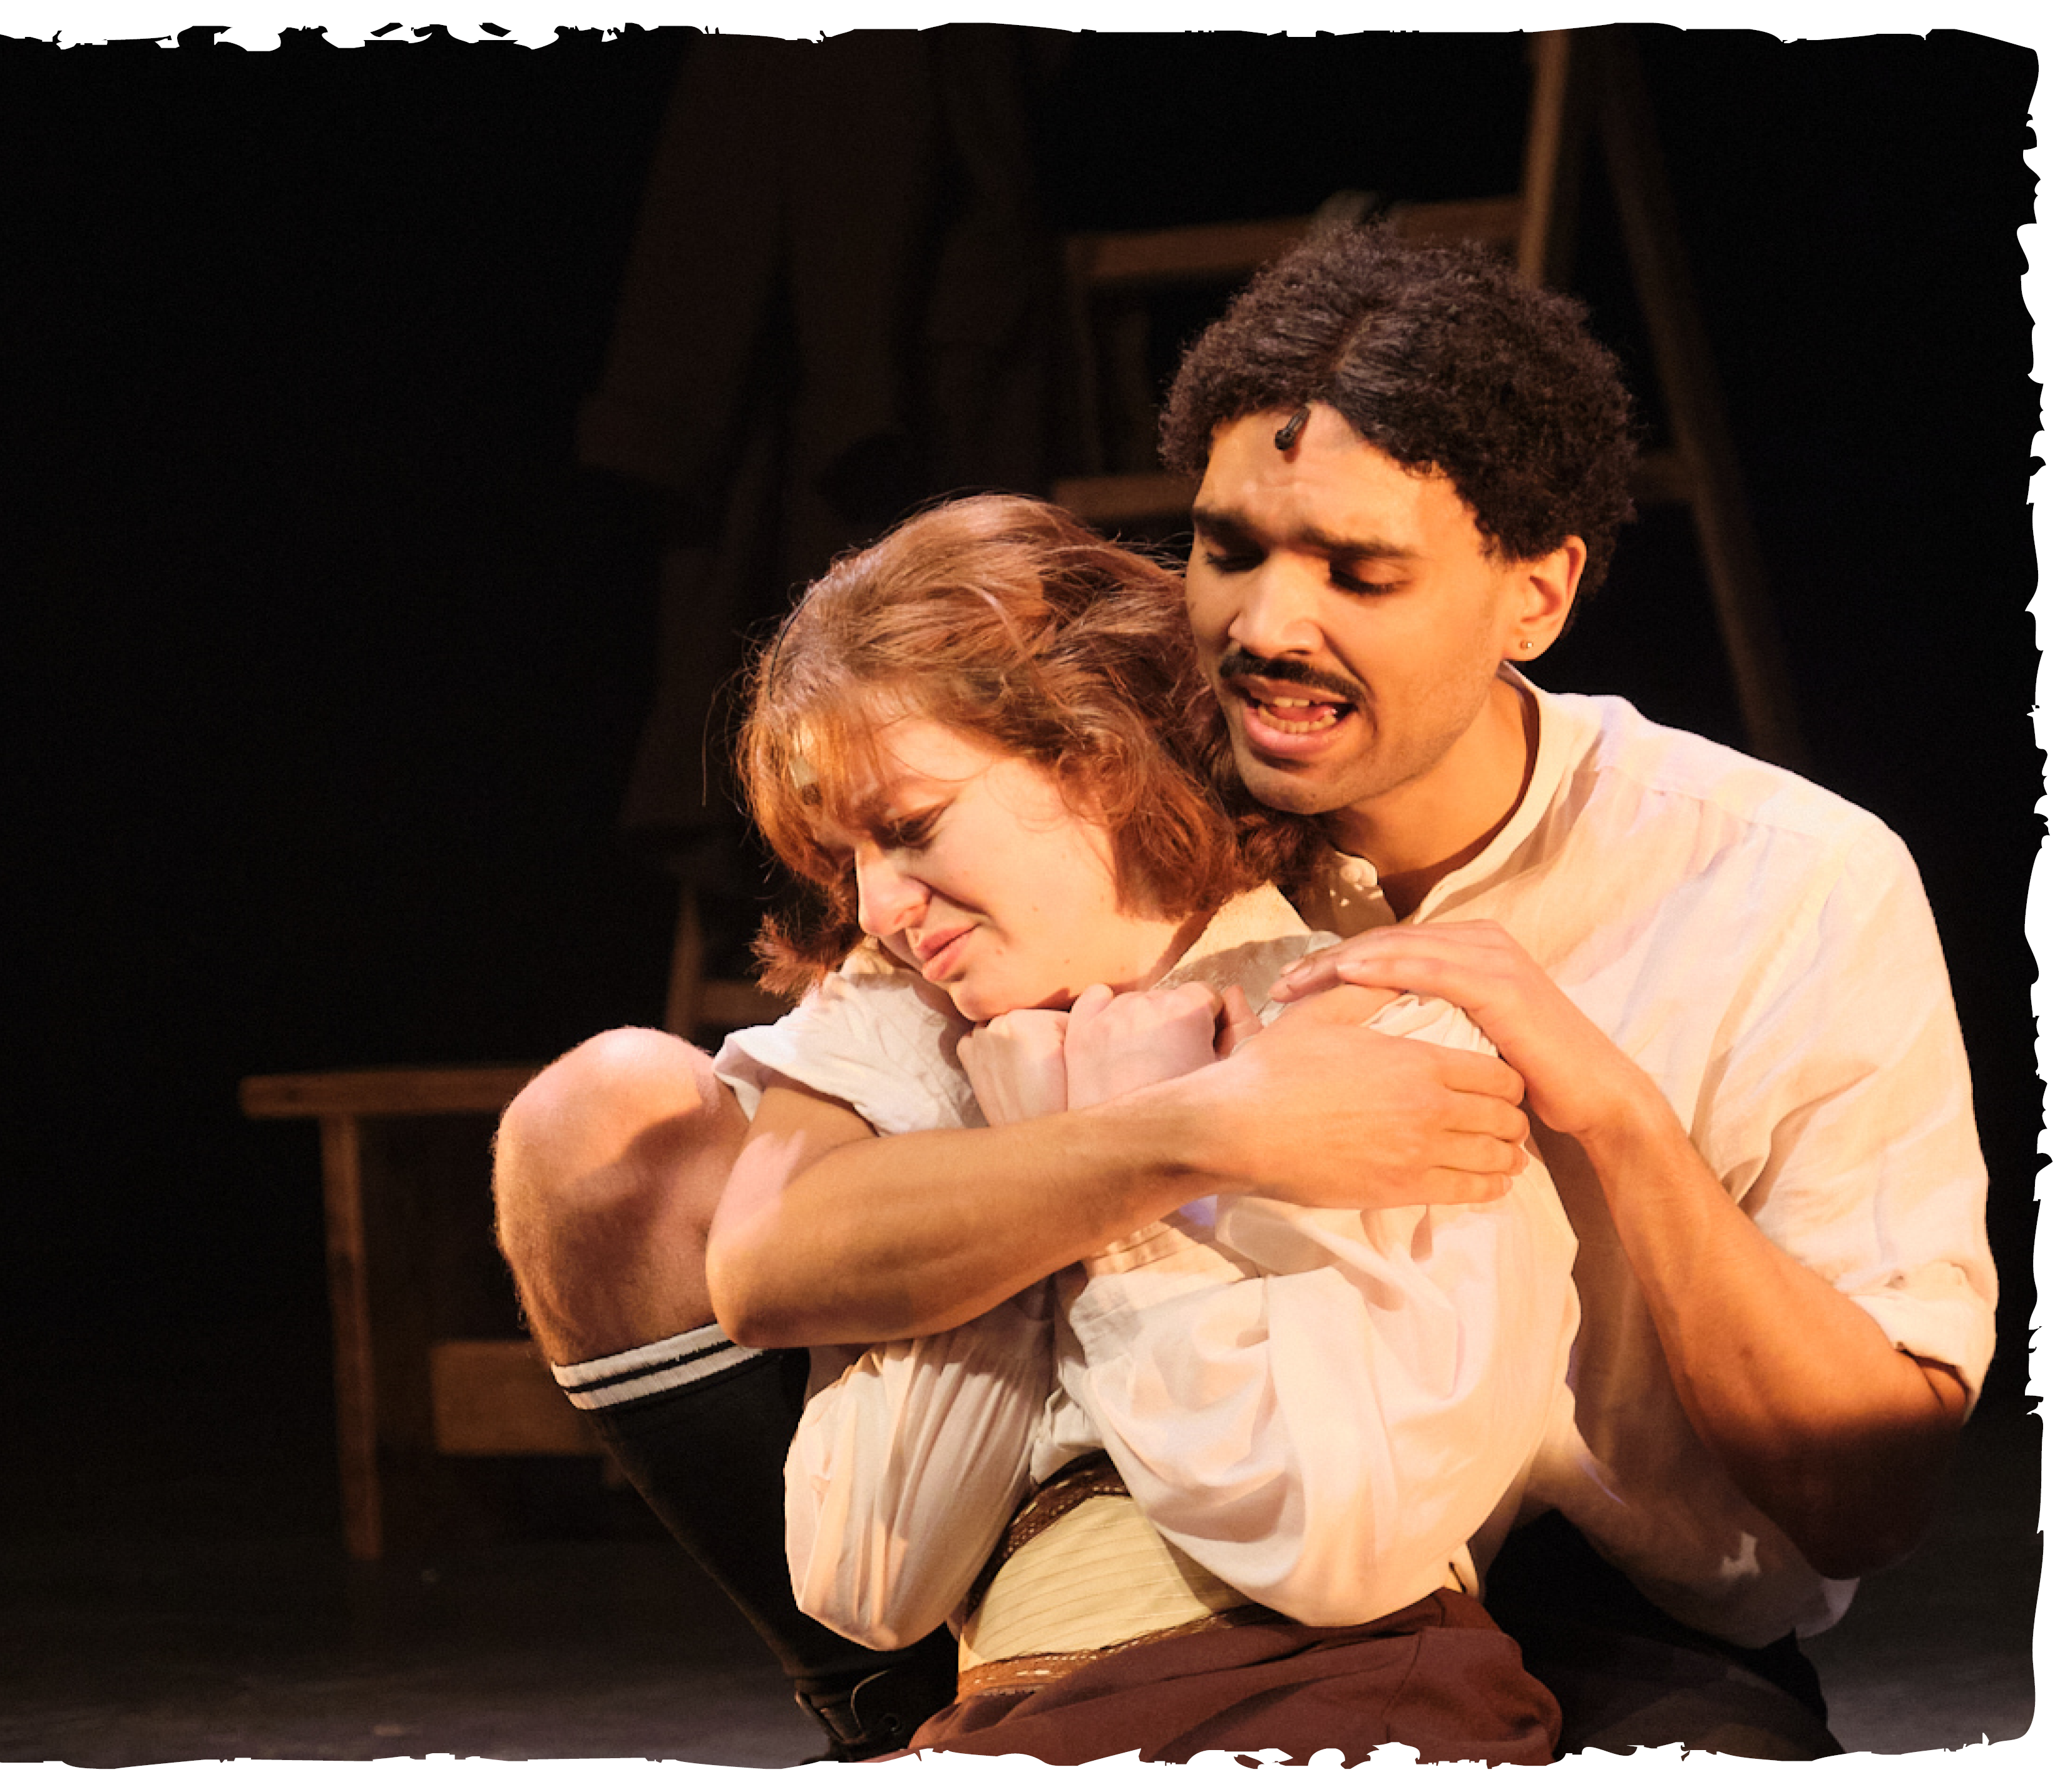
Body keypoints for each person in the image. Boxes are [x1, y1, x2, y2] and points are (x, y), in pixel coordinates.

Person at [495, 225, 1996, 1761]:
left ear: (1534, 595)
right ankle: (899, 1707)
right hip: (1162, 1539)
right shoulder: (1102, 803)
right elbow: (774, 1255)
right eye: (1229, 551)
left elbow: (1864, 1495)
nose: (1268, 627)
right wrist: (1199, 1132)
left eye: (1359, 571)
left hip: (1599, 1602)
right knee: (597, 1130)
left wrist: (1611, 1113)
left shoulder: (1781, 877)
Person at [717, 493, 1574, 1762]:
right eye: (849, 861)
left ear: (1096, 751)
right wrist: (1061, 1173)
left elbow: (1335, 1543)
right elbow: (866, 1579)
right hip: (1006, 1720)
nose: (880, 905)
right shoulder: (944, 1077)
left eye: (909, 828)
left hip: (1330, 1707)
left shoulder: (1378, 1033)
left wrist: (1122, 1222)